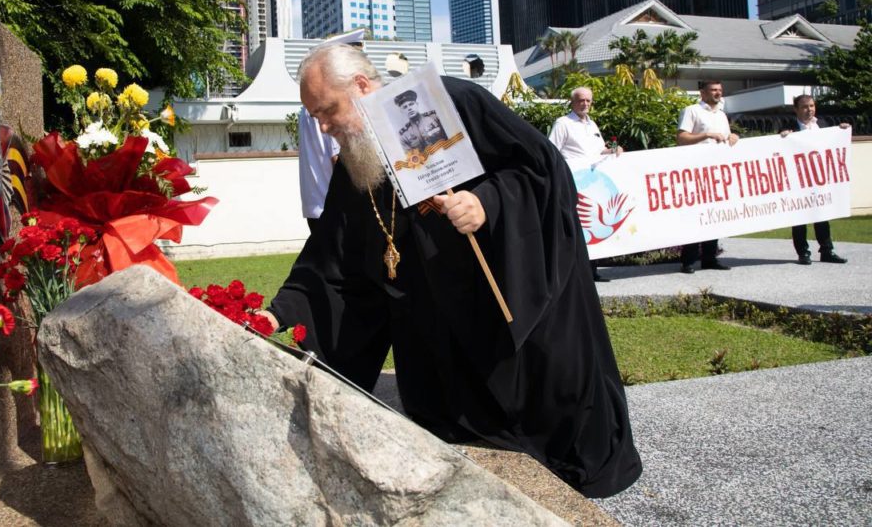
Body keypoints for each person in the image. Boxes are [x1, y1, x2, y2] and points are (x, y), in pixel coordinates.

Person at [259, 43, 642, 499]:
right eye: (315, 116)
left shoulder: (449, 102)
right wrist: (279, 314)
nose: (323, 127)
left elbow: (541, 171)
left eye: (327, 111)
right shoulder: (356, 162)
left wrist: (487, 203)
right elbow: (332, 256)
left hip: (502, 309)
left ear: (361, 86)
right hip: (433, 336)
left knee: (547, 440)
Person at [548, 86, 622, 283]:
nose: (585, 104)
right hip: (574, 183)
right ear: (572, 102)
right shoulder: (563, 123)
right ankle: (574, 273)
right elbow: (552, 151)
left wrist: (615, 148)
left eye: (588, 101)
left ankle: (592, 271)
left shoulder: (593, 125)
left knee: (594, 226)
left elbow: (600, 151)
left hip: (594, 184)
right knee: (576, 227)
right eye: (581, 100)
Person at [675, 80, 738, 274]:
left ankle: (710, 258)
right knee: (695, 216)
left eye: (720, 90)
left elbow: (726, 139)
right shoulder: (691, 110)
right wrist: (706, 135)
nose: (718, 93)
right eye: (713, 90)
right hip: (695, 171)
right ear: (702, 93)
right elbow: (681, 138)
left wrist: (733, 136)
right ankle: (688, 260)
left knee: (714, 216)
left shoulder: (721, 115)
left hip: (716, 172)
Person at [780, 94, 849, 265]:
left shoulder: (823, 125)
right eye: (804, 107)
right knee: (799, 218)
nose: (809, 110)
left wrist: (841, 130)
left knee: (822, 215)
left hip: (819, 180)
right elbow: (779, 149)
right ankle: (803, 252)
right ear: (796, 109)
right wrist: (783, 136)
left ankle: (827, 250)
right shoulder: (789, 128)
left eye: (811, 106)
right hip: (798, 181)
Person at [297, 106, 339, 233]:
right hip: (332, 206)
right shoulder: (326, 108)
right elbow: (337, 158)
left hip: (314, 205)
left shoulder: (305, 111)